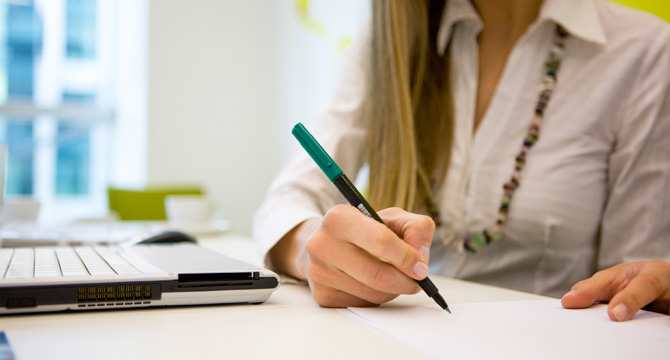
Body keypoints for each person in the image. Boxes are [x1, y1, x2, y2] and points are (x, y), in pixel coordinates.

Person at [253, 0, 670, 322]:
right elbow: (286, 200)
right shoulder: (388, 44)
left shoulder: (645, 53)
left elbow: (634, 279)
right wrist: (314, 253)